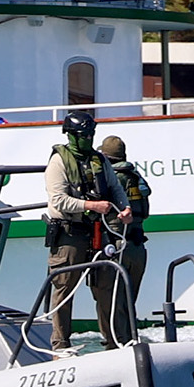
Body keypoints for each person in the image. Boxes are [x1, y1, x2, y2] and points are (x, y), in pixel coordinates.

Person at [44, 110, 132, 356]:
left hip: (98, 232)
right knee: (64, 289)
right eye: (84, 135)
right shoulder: (58, 162)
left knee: (107, 287)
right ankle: (60, 346)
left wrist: (124, 208)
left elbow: (115, 188)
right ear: (72, 135)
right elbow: (58, 200)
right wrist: (90, 205)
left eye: (91, 134)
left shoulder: (99, 160)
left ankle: (115, 343)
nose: (89, 139)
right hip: (69, 234)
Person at [100, 135, 153, 345]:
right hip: (138, 247)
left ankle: (116, 347)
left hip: (117, 246)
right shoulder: (136, 177)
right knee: (129, 302)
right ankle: (131, 341)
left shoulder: (110, 179)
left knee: (112, 301)